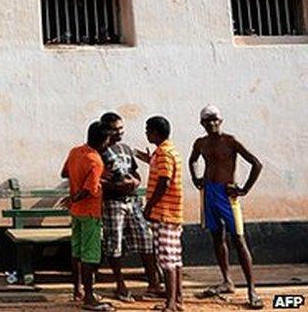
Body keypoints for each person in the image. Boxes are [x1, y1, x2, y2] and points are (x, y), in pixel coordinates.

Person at [189, 105, 264, 309]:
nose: (212, 123)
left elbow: (256, 164)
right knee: (216, 236)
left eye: (215, 119)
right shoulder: (201, 143)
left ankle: (252, 289)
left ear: (220, 121)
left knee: (238, 239)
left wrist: (244, 189)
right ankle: (227, 281)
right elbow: (192, 160)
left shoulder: (230, 141)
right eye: (208, 120)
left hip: (227, 194)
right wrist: (196, 179)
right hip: (209, 193)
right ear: (202, 123)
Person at [98, 112, 163, 302]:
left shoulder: (125, 149)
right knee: (114, 243)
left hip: (132, 200)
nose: (120, 133)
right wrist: (116, 186)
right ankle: (120, 286)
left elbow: (135, 172)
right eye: (115, 129)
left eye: (121, 129)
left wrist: (134, 181)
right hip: (113, 202)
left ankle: (154, 284)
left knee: (146, 239)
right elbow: (96, 180)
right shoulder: (99, 151)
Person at [61, 121, 113, 312]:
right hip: (90, 211)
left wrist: (75, 192)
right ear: (103, 140)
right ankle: (89, 297)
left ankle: (77, 290)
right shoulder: (95, 160)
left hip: (76, 213)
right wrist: (78, 195)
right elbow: (89, 190)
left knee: (77, 252)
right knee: (90, 255)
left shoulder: (75, 151)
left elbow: (64, 172)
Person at [143, 115, 184, 312]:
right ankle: (178, 300)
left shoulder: (164, 154)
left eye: (148, 130)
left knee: (167, 259)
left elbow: (164, 181)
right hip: (173, 212)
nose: (146, 133)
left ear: (156, 133)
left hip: (163, 213)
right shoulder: (169, 151)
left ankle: (170, 304)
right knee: (175, 259)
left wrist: (149, 206)